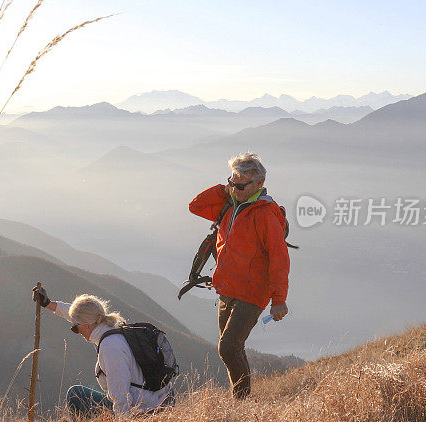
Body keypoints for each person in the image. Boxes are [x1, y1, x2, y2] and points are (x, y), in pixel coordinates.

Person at [188, 152, 290, 399]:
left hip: (252, 292)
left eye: (240, 185)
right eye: (232, 182)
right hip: (226, 288)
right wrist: (225, 190)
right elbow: (195, 206)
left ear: (259, 184)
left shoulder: (265, 214)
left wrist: (278, 300)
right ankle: (243, 400)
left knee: (228, 347)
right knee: (232, 348)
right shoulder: (229, 205)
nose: (235, 188)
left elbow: (279, 258)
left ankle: (242, 402)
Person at [31, 286, 174, 418]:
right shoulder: (112, 327)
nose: (77, 331)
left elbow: (120, 396)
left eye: (76, 327)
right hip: (162, 399)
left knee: (76, 394)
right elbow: (77, 315)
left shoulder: (110, 348)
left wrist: (123, 419)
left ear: (86, 325)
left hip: (146, 411)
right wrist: (48, 304)